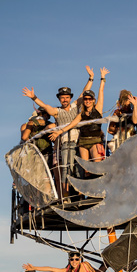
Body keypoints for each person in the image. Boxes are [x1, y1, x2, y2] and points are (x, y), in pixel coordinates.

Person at [22, 69, 95, 197]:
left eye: (67, 97)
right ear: (59, 99)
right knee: (65, 170)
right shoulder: (57, 112)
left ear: (70, 98)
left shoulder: (75, 106)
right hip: (64, 142)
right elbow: (45, 106)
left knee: (78, 168)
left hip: (78, 141)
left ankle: (80, 195)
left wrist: (91, 78)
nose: (65, 100)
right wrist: (33, 97)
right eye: (62, 98)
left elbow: (84, 92)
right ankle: (65, 197)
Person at [55, 68, 108, 168]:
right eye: (85, 99)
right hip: (83, 142)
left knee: (97, 165)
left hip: (95, 140)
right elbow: (72, 124)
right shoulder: (81, 114)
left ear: (93, 100)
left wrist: (102, 77)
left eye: (90, 99)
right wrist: (59, 132)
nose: (87, 101)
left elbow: (101, 91)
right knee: (86, 169)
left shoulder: (98, 109)